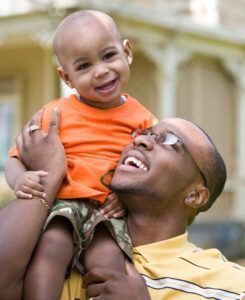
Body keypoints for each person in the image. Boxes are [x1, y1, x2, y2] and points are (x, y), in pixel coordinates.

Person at [1, 111, 245, 300]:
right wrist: (48, 176)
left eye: (170, 141)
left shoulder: (230, 285)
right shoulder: (60, 244)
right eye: (144, 133)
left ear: (195, 196)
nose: (142, 141)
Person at [4, 9, 157, 300]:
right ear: (67, 76)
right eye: (84, 66)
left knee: (109, 264)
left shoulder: (144, 121)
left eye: (109, 56)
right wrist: (20, 179)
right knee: (51, 249)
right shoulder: (55, 114)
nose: (100, 71)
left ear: (127, 53)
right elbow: (16, 156)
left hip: (109, 213)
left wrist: (128, 197)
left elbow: (149, 175)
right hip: (63, 206)